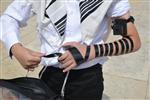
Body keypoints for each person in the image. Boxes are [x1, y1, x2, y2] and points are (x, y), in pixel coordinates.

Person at [0, 0, 141, 100]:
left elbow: (133, 41)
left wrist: (90, 51)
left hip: (88, 80)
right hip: (50, 76)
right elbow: (10, 17)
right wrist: (15, 47)